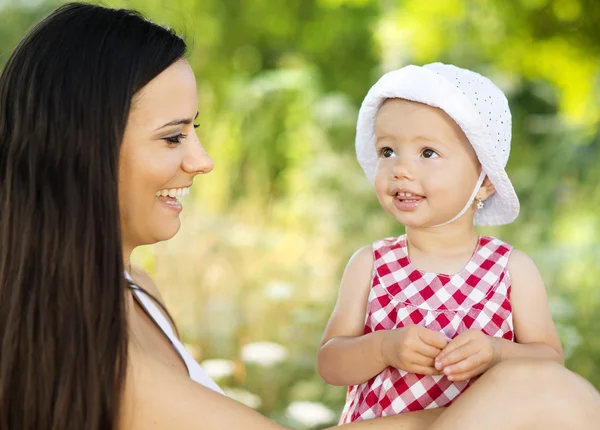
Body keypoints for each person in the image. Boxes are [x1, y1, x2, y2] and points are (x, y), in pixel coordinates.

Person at [1, 3, 599, 430]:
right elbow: (334, 358)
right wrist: (510, 400)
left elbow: (543, 357)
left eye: (196, 131)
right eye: (172, 136)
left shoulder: (136, 297)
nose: (202, 160)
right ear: (83, 148)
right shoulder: (99, 348)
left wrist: (506, 383)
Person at [317, 63, 568, 423]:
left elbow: (550, 360)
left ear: (484, 181)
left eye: (427, 153)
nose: (400, 168)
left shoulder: (510, 270)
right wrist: (383, 347)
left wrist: (497, 352)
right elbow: (330, 364)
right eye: (387, 151)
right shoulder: (370, 264)